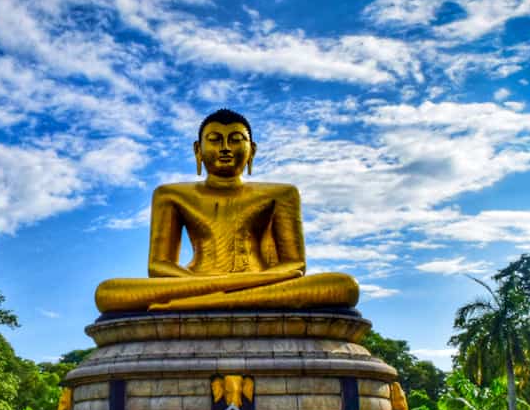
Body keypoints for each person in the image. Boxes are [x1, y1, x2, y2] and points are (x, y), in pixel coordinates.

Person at [94, 109, 359, 313]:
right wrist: (208, 284)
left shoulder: (281, 194)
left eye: (235, 140)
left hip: (259, 282)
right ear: (198, 150)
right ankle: (226, 298)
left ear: (251, 150)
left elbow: (294, 265)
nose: (224, 148)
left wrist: (254, 280)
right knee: (108, 292)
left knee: (344, 287)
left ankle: (202, 303)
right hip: (194, 281)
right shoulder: (170, 195)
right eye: (215, 140)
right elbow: (159, 265)